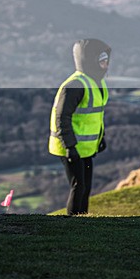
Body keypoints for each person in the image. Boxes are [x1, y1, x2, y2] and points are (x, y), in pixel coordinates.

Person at [48, 39, 111, 215]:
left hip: (85, 147)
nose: (106, 65)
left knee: (86, 187)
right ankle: (73, 224)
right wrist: (69, 146)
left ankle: (82, 222)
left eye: (106, 60)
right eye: (101, 61)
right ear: (90, 61)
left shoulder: (96, 82)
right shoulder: (75, 85)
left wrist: (101, 138)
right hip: (70, 146)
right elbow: (62, 118)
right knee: (78, 186)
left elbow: (94, 116)